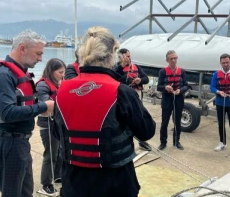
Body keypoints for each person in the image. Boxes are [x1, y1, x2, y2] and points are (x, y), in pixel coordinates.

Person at [52, 26, 156, 197]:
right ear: (112, 55)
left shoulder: (62, 91)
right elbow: (146, 131)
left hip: (74, 182)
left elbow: (58, 132)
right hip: (115, 183)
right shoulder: (121, 92)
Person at [0, 30, 54, 197]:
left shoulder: (18, 72)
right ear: (23, 48)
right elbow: (7, 113)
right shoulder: (2, 75)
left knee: (25, 191)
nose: (40, 59)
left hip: (18, 142)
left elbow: (24, 102)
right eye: (38, 54)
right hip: (7, 141)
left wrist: (42, 106)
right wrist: (43, 107)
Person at [35, 58, 66, 196]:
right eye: (60, 72)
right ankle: (46, 184)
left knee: (59, 152)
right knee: (51, 154)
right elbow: (47, 105)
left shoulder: (58, 84)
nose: (63, 75)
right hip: (47, 124)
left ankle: (57, 175)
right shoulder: (42, 86)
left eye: (64, 72)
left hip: (57, 123)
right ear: (51, 71)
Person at [114, 48, 151, 151]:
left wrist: (140, 80)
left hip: (136, 95)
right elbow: (113, 77)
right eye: (127, 56)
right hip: (123, 98)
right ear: (121, 57)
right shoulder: (116, 68)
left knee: (139, 117)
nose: (129, 59)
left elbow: (146, 79)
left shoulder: (136, 67)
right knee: (124, 120)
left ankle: (142, 141)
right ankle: (125, 143)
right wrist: (122, 66)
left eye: (130, 56)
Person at [157, 50, 188, 150]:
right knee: (164, 122)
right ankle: (163, 142)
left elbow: (186, 85)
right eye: (171, 58)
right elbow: (159, 87)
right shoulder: (162, 72)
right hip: (167, 99)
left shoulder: (182, 71)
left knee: (177, 122)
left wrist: (180, 90)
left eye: (175, 58)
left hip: (178, 99)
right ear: (167, 60)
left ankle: (176, 142)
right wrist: (166, 87)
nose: (174, 60)